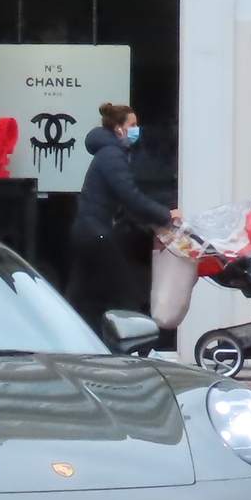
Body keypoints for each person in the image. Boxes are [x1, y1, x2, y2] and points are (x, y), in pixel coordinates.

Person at [65, 102, 178, 345]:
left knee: (77, 298)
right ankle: (138, 350)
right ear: (119, 129)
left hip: (87, 231)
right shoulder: (112, 155)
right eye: (133, 125)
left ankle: (64, 340)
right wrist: (166, 215)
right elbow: (129, 194)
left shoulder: (109, 153)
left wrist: (153, 221)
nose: (137, 129)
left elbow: (123, 200)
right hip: (97, 234)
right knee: (128, 295)